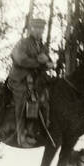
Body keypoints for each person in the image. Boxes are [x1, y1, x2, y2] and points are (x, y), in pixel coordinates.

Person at [7, 18, 53, 147]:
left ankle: (38, 131)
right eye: (36, 29)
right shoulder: (23, 43)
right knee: (21, 102)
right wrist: (39, 62)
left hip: (36, 80)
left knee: (44, 100)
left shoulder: (43, 47)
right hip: (19, 78)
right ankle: (21, 136)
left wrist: (49, 63)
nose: (39, 31)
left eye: (41, 29)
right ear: (31, 29)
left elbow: (48, 62)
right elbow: (20, 59)